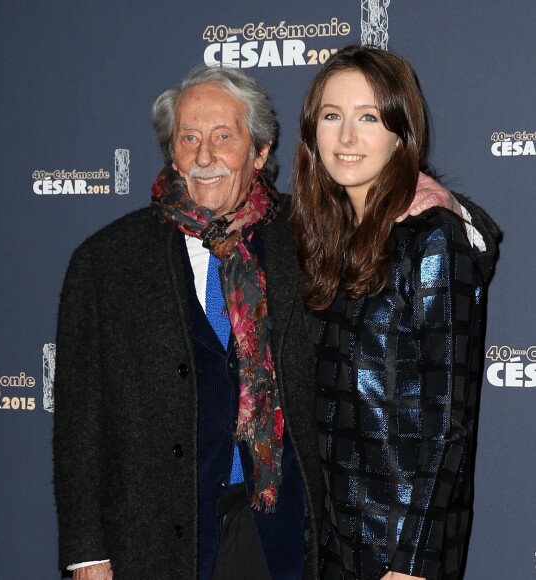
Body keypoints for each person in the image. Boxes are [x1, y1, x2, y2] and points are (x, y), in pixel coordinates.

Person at [53, 64, 498, 580]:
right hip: (153, 542)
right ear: (171, 153)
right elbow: (80, 426)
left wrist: (440, 200)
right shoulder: (106, 262)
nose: (205, 155)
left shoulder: (307, 236)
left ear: (260, 153)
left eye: (224, 136)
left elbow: (413, 231)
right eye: (189, 137)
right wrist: (88, 554)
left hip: (285, 536)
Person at [291, 46, 493, 580]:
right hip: (338, 544)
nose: (347, 138)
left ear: (401, 131)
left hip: (404, 552)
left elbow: (448, 423)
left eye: (369, 118)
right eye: (332, 117)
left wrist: (412, 562)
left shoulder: (433, 240)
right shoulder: (326, 240)